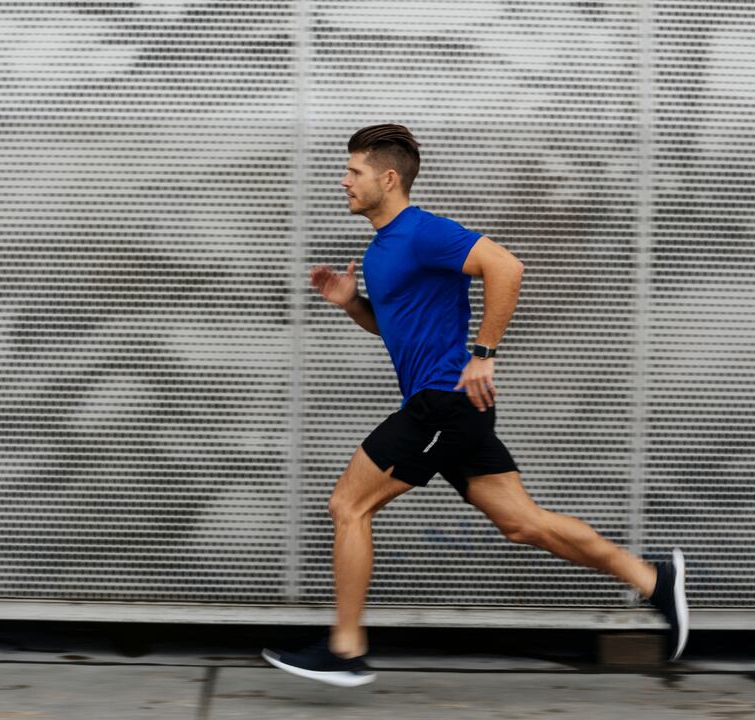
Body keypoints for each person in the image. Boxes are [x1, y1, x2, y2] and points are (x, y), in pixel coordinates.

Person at [262, 124, 688, 687]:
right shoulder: (381, 248)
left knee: (349, 506)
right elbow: (397, 329)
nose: (343, 181)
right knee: (522, 523)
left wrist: (483, 354)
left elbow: (506, 266)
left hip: (444, 404)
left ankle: (345, 648)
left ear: (388, 179)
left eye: (354, 172)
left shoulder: (422, 232)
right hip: (447, 407)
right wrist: (351, 304)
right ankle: (654, 579)